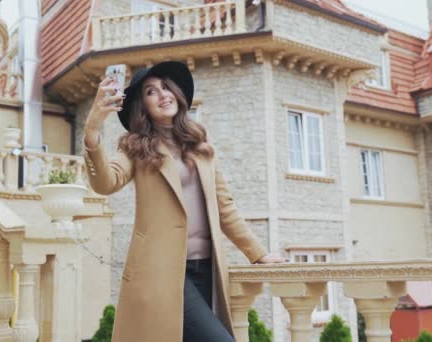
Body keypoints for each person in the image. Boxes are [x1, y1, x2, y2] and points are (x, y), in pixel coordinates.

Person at [82, 61, 284, 342]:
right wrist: (92, 128)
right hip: (163, 273)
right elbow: (105, 183)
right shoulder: (135, 147)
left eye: (166, 87)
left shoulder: (201, 147)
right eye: (151, 92)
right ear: (143, 105)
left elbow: (225, 208)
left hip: (207, 271)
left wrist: (258, 253)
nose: (163, 94)